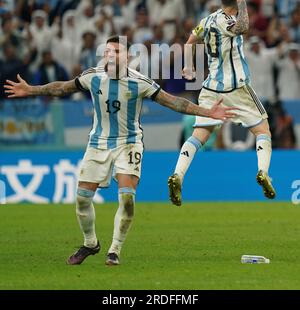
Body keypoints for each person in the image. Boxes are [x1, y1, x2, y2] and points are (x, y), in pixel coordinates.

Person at [4, 35, 234, 266]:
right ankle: (90, 244)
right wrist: (31, 90)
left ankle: (114, 250)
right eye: (107, 52)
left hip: (129, 143)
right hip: (98, 142)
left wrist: (207, 113)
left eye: (115, 51)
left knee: (127, 198)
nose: (110, 56)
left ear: (128, 56)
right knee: (82, 199)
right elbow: (61, 88)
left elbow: (174, 102)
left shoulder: (140, 82)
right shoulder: (92, 76)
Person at [168, 0, 276, 207]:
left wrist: (188, 67)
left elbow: (189, 42)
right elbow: (243, 26)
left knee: (200, 135)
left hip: (211, 89)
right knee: (262, 129)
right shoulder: (228, 20)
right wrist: (243, 1)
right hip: (236, 88)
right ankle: (263, 172)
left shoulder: (206, 21)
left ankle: (178, 174)